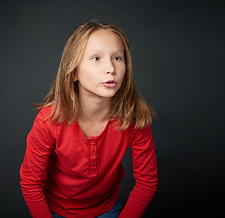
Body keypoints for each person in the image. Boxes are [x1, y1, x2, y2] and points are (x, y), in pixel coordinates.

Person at [19, 19, 158, 218]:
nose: (110, 68)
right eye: (96, 58)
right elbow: (30, 182)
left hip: (107, 210)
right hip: (55, 211)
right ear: (74, 71)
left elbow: (147, 181)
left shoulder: (133, 119)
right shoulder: (48, 120)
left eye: (117, 58)